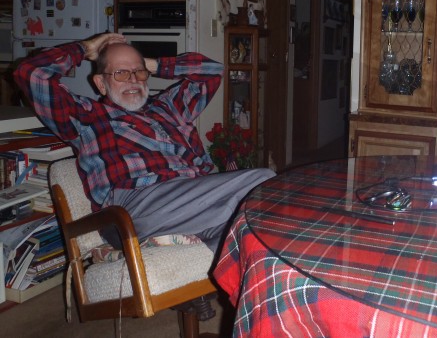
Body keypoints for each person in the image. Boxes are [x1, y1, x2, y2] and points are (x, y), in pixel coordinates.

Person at [14, 32, 275, 253]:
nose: (132, 80)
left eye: (138, 72)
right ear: (101, 84)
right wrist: (86, 48)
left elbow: (212, 71)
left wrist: (151, 64)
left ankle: (216, 275)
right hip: (133, 209)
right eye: (120, 73)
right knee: (264, 180)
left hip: (189, 201)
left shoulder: (170, 108)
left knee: (255, 229)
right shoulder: (86, 117)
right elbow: (33, 74)